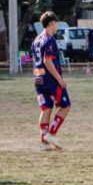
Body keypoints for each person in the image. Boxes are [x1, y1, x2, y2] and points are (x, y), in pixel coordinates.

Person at [33, 11, 70, 151]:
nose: (57, 27)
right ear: (52, 23)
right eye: (56, 24)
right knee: (66, 105)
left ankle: (43, 142)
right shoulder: (49, 39)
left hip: (38, 79)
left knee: (46, 108)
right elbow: (47, 61)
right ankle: (52, 134)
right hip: (50, 80)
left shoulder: (36, 39)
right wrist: (60, 79)